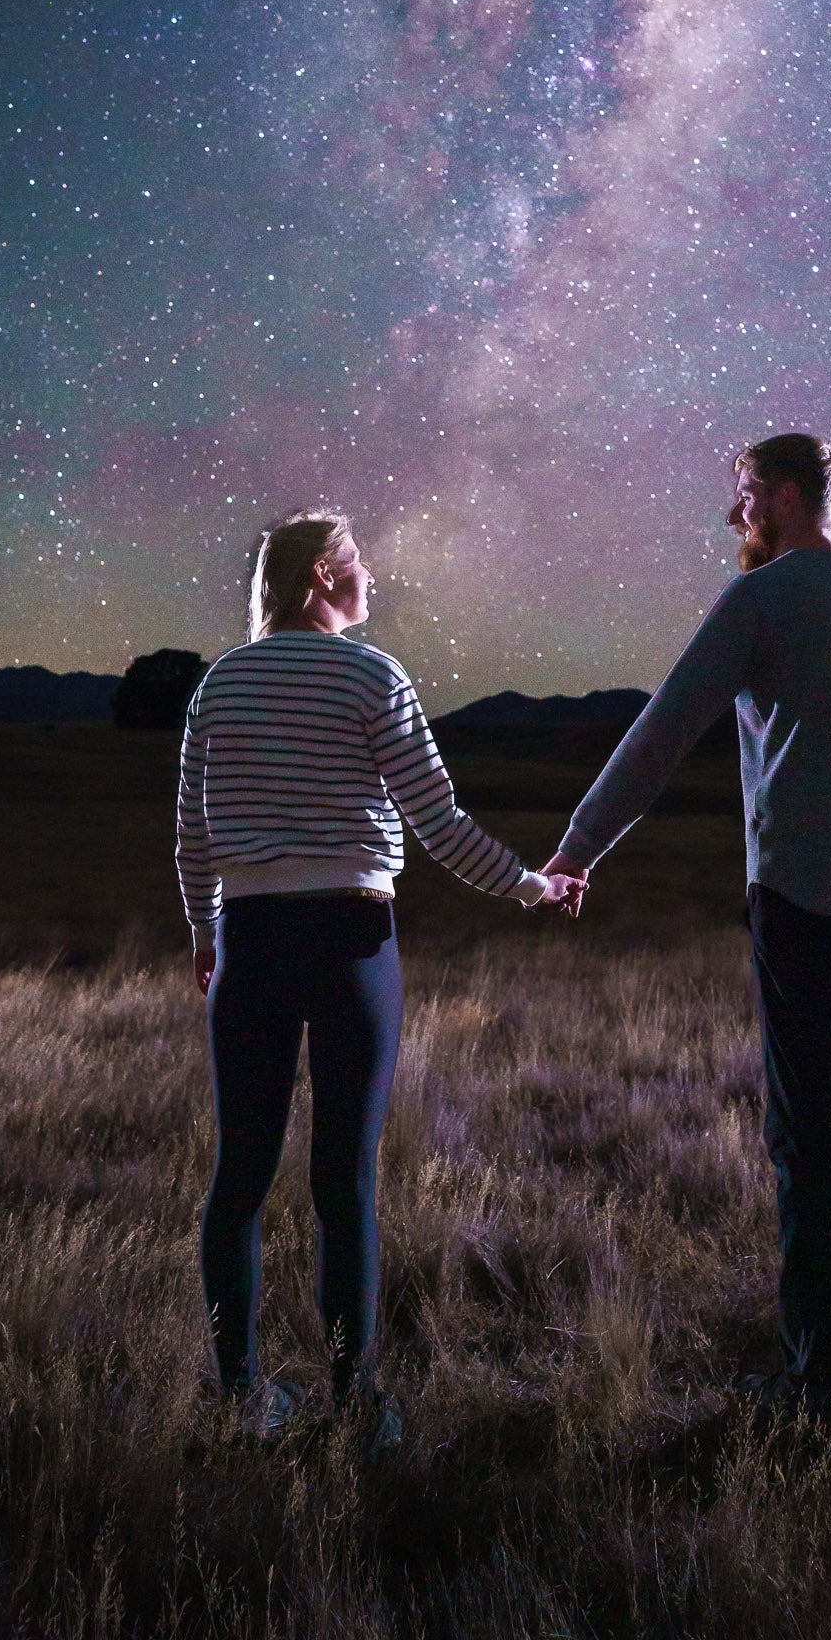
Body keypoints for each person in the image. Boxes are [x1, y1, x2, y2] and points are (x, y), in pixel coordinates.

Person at [544, 434, 831, 1422]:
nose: (735, 518)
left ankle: (811, 1378)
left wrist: (577, 845)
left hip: (804, 903)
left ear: (779, 496)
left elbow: (664, 730)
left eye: (742, 497)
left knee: (806, 1140)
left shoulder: (760, 598)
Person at [176, 508, 583, 1442]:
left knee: (239, 1173)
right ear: (323, 574)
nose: (374, 580)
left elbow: (194, 835)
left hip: (251, 937)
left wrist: (207, 933)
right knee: (343, 1179)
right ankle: (356, 1399)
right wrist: (529, 886)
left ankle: (239, 1393)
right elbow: (437, 823)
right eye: (360, 563)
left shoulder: (220, 684)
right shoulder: (371, 675)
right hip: (353, 941)